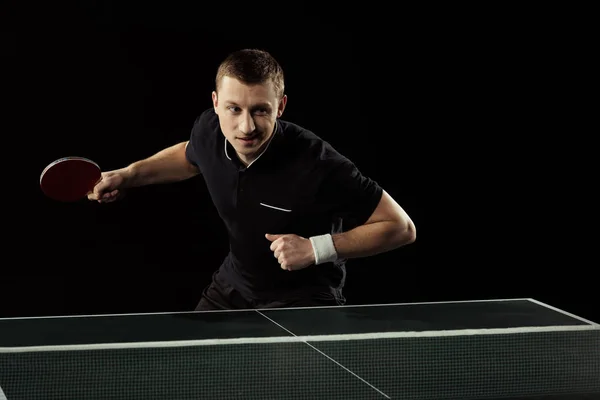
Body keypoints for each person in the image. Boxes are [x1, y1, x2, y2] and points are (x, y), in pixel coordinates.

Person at [88, 48, 416, 311]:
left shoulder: (318, 164)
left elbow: (401, 227)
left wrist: (316, 248)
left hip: (303, 298)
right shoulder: (210, 131)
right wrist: (129, 175)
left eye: (260, 110)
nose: (246, 127)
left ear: (281, 106)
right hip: (233, 286)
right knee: (193, 372)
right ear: (216, 104)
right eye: (233, 109)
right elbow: (190, 157)